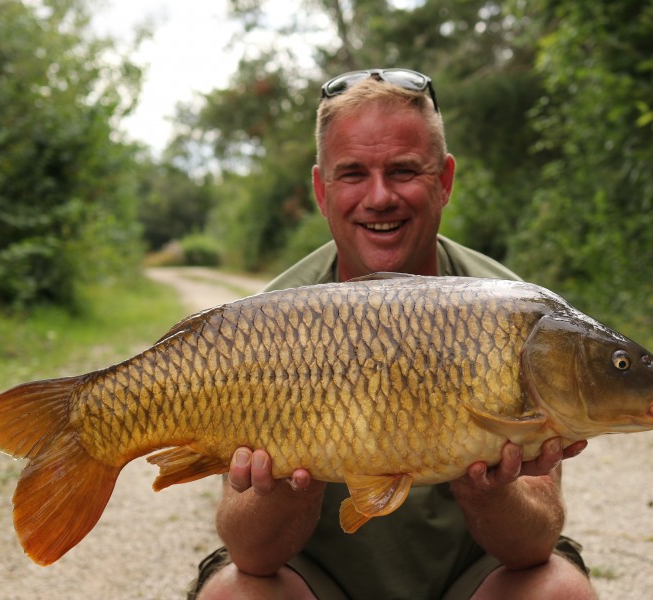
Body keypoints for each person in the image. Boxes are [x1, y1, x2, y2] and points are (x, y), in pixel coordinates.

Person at [188, 68, 597, 600]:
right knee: (232, 596)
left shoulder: (515, 313)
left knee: (560, 591)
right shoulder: (270, 323)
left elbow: (533, 544)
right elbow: (252, 554)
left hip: (470, 582)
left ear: (444, 180)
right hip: (318, 584)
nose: (379, 197)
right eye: (353, 173)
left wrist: (487, 493)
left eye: (404, 171)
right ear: (321, 190)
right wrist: (287, 490)